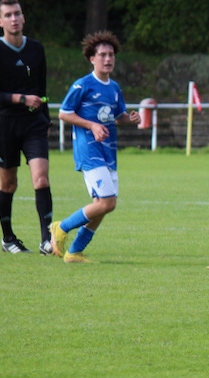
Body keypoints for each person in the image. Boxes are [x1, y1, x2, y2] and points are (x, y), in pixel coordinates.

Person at [49, 31, 140, 264]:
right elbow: (64, 113)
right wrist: (92, 125)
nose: (108, 59)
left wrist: (129, 119)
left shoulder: (115, 88)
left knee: (104, 206)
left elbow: (117, 115)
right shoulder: (82, 85)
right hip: (89, 150)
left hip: (108, 151)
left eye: (111, 55)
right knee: (107, 202)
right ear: (92, 58)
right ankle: (61, 227)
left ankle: (74, 252)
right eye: (102, 55)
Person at [0, 0, 52, 254]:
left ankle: (47, 240)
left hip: (33, 123)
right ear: (0, 21)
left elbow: (42, 88)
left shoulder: (37, 49)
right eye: (8, 15)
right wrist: (19, 98)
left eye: (17, 13)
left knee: (41, 177)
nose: (14, 18)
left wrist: (46, 118)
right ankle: (8, 239)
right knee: (9, 184)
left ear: (24, 18)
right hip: (4, 124)